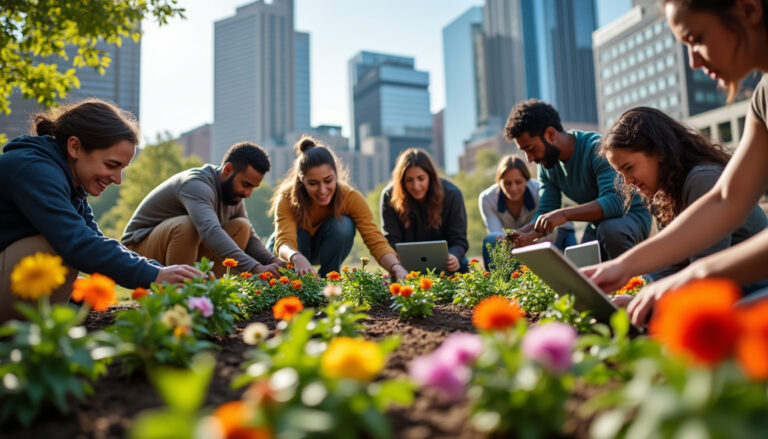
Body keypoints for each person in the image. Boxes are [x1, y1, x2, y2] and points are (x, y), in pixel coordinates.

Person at [585, 0, 768, 326]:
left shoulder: (701, 177)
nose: (693, 61)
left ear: (748, 10)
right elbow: (726, 200)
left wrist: (682, 284)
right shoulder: (762, 99)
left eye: (696, 38)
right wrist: (623, 267)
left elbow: (707, 272)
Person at [0, 99, 200, 322]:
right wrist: (155, 276)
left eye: (122, 169)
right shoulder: (33, 169)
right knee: (57, 250)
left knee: (85, 290)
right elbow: (79, 243)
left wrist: (163, 272)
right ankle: (32, 338)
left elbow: (96, 239)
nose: (118, 179)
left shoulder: (70, 183)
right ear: (74, 147)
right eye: (111, 165)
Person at [599, 106, 767, 289]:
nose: (627, 181)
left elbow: (706, 276)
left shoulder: (703, 179)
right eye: (620, 173)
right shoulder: (663, 195)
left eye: (629, 167)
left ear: (658, 153)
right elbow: (670, 268)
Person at [504, 99, 652, 260]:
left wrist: (565, 215)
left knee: (609, 230)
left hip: (629, 216)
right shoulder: (547, 167)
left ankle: (635, 282)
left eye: (531, 149)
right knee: (582, 264)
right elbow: (546, 211)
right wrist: (524, 234)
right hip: (598, 223)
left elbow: (615, 202)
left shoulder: (596, 149)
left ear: (551, 134)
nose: (529, 159)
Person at [122, 142, 284, 278]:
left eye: (253, 188)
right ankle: (181, 292)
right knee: (188, 224)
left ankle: (209, 291)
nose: (248, 193)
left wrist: (272, 261)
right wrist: (255, 268)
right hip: (137, 252)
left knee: (241, 226)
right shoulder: (196, 185)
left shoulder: (233, 195)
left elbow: (250, 239)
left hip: (178, 249)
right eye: (246, 185)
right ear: (228, 170)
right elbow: (210, 231)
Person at [268, 137, 408, 279]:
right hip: (289, 253)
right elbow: (284, 242)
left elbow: (375, 240)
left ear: (336, 175)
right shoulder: (287, 197)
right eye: (313, 183)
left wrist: (396, 267)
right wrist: (296, 257)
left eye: (328, 180)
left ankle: (329, 280)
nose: (322, 190)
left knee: (343, 225)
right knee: (299, 235)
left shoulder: (351, 197)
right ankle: (297, 281)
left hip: (321, 248)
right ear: (301, 181)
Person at [380, 148, 469, 273]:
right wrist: (396, 265)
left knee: (463, 265)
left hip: (447, 263)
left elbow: (459, 240)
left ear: (430, 177)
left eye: (421, 178)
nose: (416, 186)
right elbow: (391, 240)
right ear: (401, 181)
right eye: (409, 180)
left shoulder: (452, 194)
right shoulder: (389, 196)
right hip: (406, 267)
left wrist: (454, 255)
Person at [478, 155, 577, 268]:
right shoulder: (487, 198)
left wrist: (527, 237)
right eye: (507, 183)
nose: (513, 188)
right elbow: (496, 235)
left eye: (518, 182)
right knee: (490, 240)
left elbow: (548, 224)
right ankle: (498, 283)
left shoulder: (539, 190)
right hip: (514, 243)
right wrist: (512, 240)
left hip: (547, 236)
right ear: (498, 182)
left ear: (527, 180)